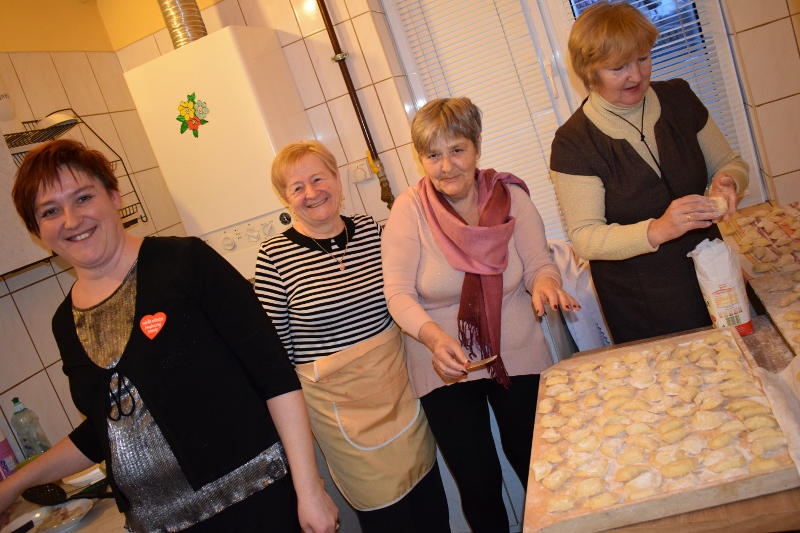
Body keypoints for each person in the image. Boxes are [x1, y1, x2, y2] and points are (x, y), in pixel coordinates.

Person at [0, 139, 338, 533]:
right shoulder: (65, 322)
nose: (72, 220)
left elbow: (274, 374)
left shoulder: (186, 263)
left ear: (114, 196)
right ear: (37, 230)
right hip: (156, 525)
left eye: (83, 197)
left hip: (256, 504)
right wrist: (13, 485)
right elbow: (106, 429)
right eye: (50, 211)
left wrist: (309, 489)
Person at [381, 97, 580, 533]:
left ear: (476, 147)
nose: (446, 166)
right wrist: (434, 338)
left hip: (517, 352)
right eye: (433, 155)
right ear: (420, 158)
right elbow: (396, 293)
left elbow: (538, 264)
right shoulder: (409, 211)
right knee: (479, 485)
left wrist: (545, 284)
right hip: (444, 366)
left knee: (540, 467)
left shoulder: (511, 198)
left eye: (457, 150)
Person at [254, 140, 451, 533]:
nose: (312, 193)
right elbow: (274, 355)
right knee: (388, 520)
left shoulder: (373, 231)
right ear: (285, 198)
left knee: (431, 510)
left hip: (398, 393)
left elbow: (405, 294)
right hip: (340, 410)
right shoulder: (273, 258)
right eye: (297, 187)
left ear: (337, 178)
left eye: (318, 178)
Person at [550, 0, 749, 344]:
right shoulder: (574, 143)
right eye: (618, 67)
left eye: (642, 58)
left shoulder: (679, 99)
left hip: (714, 274)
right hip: (641, 303)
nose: (637, 75)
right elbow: (585, 238)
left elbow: (731, 163)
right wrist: (659, 229)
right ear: (590, 72)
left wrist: (728, 181)